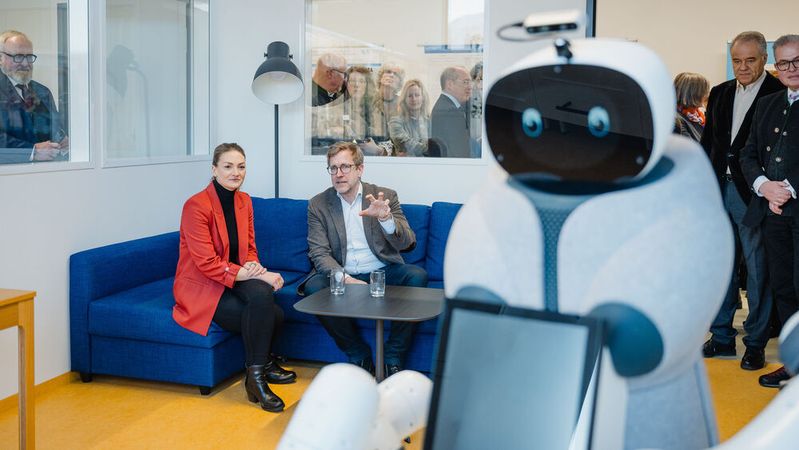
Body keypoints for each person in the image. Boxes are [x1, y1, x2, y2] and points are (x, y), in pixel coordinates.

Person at [172, 143, 295, 412]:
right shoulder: (196, 206)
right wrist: (258, 275)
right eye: (228, 166)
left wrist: (259, 272)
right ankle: (258, 378)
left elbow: (249, 248)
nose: (235, 172)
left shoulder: (244, 201)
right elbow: (206, 263)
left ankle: (256, 372)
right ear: (214, 169)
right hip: (204, 285)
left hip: (233, 274)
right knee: (268, 314)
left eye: (241, 166)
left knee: (271, 307)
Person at [301, 141, 428, 375]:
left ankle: (393, 356)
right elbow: (319, 254)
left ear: (360, 169)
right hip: (342, 272)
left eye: (345, 167)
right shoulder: (318, 204)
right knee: (314, 286)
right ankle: (358, 354)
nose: (339, 174)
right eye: (333, 168)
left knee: (417, 276)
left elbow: (408, 242)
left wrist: (386, 219)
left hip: (382, 271)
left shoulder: (384, 196)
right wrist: (345, 279)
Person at [700, 31, 783, 371]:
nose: (743, 67)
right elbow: (709, 145)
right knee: (720, 268)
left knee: (757, 270)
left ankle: (755, 342)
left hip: (754, 195)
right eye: (737, 60)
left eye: (750, 60)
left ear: (765, 59)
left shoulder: (778, 94)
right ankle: (720, 337)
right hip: (719, 190)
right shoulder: (719, 93)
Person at [740, 34, 799, 388]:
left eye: (798, 61)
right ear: (775, 68)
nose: (791, 69)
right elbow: (747, 154)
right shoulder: (767, 104)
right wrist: (764, 186)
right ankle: (793, 363)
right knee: (784, 291)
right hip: (773, 214)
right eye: (785, 63)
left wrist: (788, 188)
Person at [0, 30, 66, 163]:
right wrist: (32, 151)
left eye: (29, 57)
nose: (25, 63)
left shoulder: (43, 92)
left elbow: (55, 127)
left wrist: (63, 140)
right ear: (1, 58)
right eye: (18, 56)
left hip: (49, 173)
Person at [430, 66, 472, 158]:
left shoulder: (445, 106)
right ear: (450, 84)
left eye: (470, 82)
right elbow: (460, 153)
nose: (470, 87)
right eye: (465, 82)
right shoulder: (450, 112)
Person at [389, 79, 430, 156]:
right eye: (410, 96)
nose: (414, 99)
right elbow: (406, 145)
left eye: (417, 95)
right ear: (404, 99)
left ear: (423, 98)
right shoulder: (395, 122)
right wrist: (429, 150)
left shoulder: (429, 121)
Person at [673, 72, 709, 142]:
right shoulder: (676, 121)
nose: (707, 95)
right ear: (694, 94)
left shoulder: (698, 116)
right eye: (704, 91)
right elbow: (691, 149)